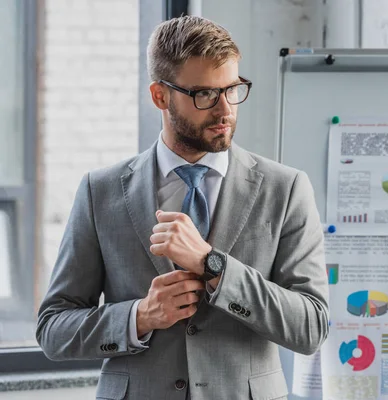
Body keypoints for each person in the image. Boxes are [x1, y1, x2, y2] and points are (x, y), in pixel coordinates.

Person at [36, 16, 329, 400]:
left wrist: (214, 266)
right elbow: (54, 329)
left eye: (233, 89)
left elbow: (311, 327)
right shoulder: (100, 191)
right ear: (160, 96)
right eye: (205, 95)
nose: (225, 110)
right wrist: (139, 316)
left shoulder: (285, 188)